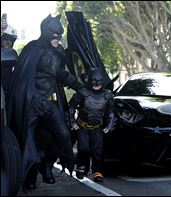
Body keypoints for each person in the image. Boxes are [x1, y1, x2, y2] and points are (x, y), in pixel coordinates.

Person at [6, 14, 89, 190]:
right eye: (55, 35)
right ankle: (29, 174)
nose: (58, 39)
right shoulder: (32, 49)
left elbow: (62, 74)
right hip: (31, 103)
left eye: (60, 35)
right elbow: (22, 76)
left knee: (64, 135)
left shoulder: (58, 52)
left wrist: (81, 88)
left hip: (50, 103)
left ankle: (47, 164)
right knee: (27, 139)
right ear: (46, 33)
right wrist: (31, 98)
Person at [69, 68, 115, 182]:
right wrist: (72, 122)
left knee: (97, 151)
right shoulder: (82, 93)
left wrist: (108, 126)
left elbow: (111, 112)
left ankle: (97, 171)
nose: (96, 84)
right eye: (94, 82)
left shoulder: (108, 95)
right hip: (82, 126)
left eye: (98, 82)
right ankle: (81, 166)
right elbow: (71, 108)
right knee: (83, 149)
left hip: (97, 128)